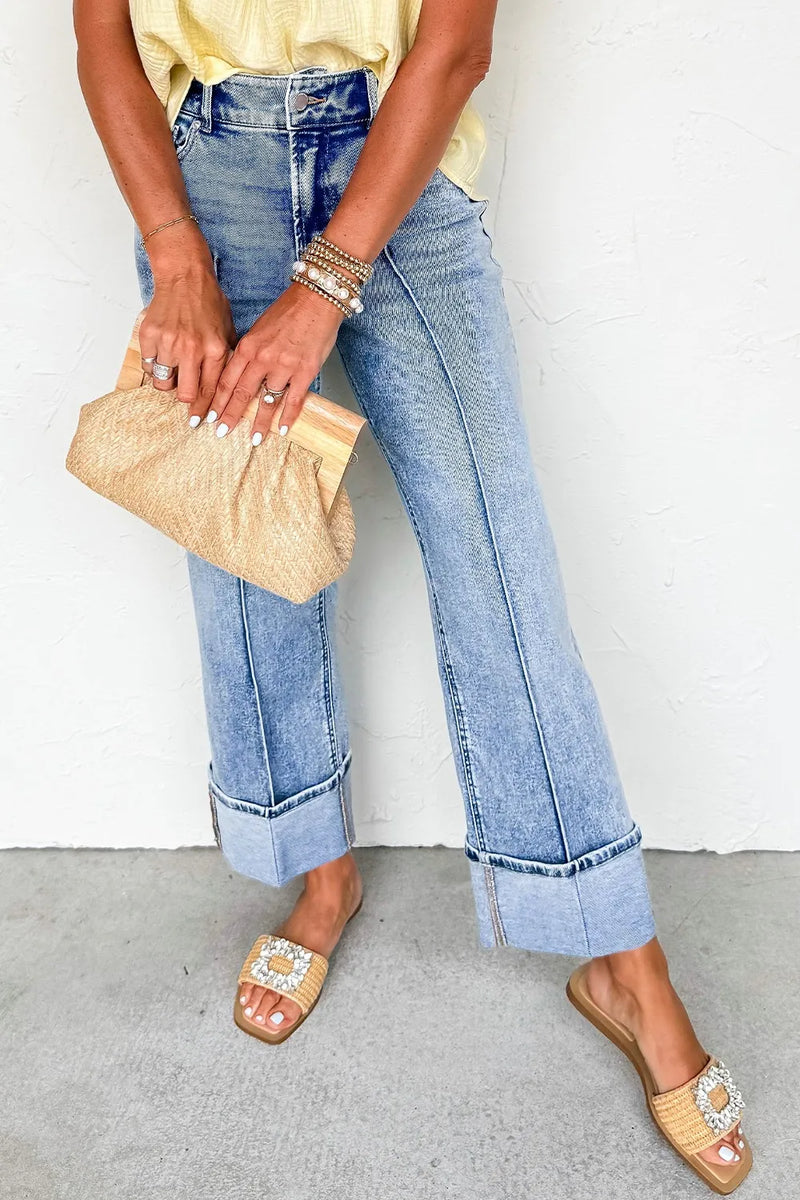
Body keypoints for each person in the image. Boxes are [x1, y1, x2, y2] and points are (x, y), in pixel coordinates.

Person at [74, 0, 750, 1190]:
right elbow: (101, 34)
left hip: (397, 157)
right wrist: (173, 246)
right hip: (209, 169)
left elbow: (456, 43)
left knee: (496, 560)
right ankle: (315, 869)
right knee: (244, 555)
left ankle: (616, 954)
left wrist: (324, 282)